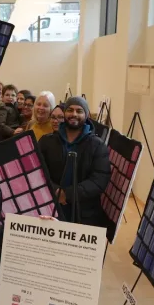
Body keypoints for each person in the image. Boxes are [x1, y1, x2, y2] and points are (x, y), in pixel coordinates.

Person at [38, 96, 110, 226]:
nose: (74, 114)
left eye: (79, 111)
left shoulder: (97, 145)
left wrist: (68, 194)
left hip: (84, 213)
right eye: (70, 110)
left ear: (86, 115)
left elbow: (100, 179)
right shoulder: (46, 141)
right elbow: (38, 171)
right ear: (65, 113)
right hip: (50, 208)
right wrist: (55, 191)